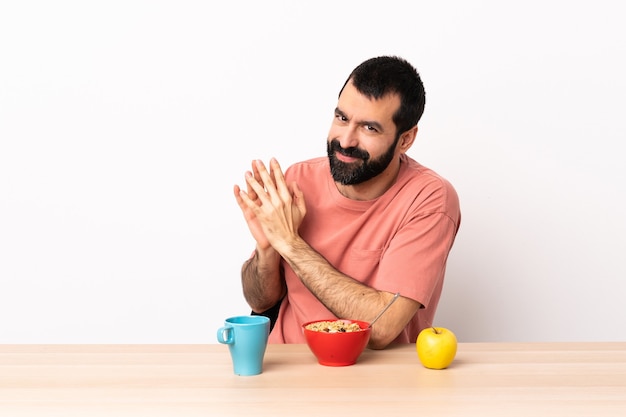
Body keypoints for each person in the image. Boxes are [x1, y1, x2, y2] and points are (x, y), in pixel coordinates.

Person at [233, 56, 460, 349]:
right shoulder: (298, 179)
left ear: (405, 140)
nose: (346, 140)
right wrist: (267, 249)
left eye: (369, 128)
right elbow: (260, 301)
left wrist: (289, 243)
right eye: (342, 118)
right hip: (288, 368)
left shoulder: (429, 199)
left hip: (376, 380)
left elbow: (381, 328)